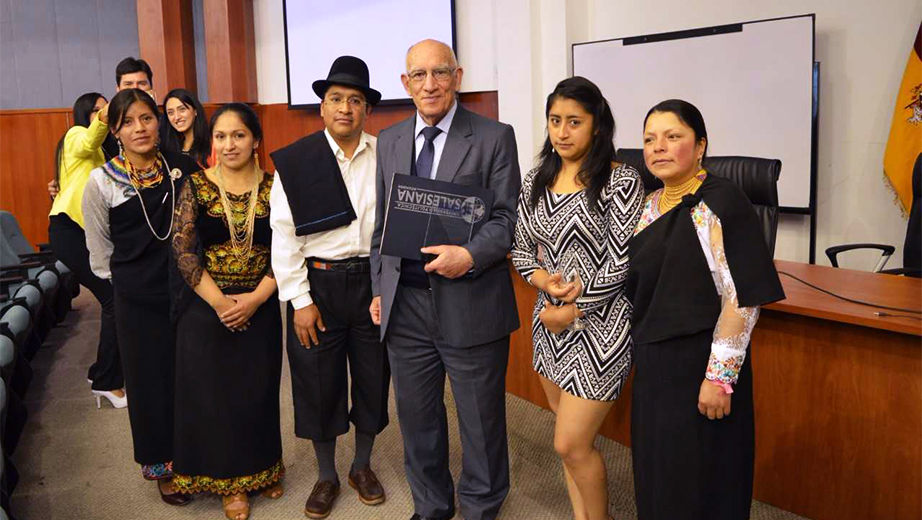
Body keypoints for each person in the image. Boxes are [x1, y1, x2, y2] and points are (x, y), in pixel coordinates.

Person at [370, 39, 521, 520]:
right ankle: (432, 505)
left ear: (458, 76)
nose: (429, 84)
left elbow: (506, 219)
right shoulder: (390, 140)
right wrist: (379, 289)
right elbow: (382, 226)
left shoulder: (495, 136)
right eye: (419, 75)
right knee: (417, 421)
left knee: (480, 422)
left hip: (470, 296)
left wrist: (469, 255)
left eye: (439, 73)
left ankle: (480, 508)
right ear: (405, 83)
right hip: (406, 306)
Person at [625, 99, 785, 520]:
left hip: (702, 366)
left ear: (700, 146)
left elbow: (742, 298)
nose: (658, 147)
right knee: (659, 476)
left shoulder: (719, 201)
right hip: (655, 364)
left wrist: (720, 377)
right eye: (649, 139)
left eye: (672, 137)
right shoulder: (646, 206)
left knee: (704, 481)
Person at [511, 77, 643, 520]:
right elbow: (522, 248)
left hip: (602, 327)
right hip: (549, 323)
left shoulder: (620, 180)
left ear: (597, 127)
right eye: (555, 121)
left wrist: (575, 308)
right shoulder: (537, 178)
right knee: (571, 446)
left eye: (574, 122)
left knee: (571, 442)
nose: (562, 132)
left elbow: (623, 262)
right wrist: (545, 282)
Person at [269, 56, 389, 520]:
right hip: (315, 286)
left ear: (366, 110)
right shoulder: (299, 161)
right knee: (317, 383)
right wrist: (299, 301)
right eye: (336, 99)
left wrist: (386, 286)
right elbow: (283, 235)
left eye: (355, 100)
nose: (345, 108)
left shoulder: (386, 155)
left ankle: (361, 466)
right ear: (321, 108)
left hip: (373, 284)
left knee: (374, 377)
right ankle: (326, 474)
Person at [82, 88, 199, 506]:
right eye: (128, 122)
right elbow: (98, 251)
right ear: (114, 130)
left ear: (158, 121)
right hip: (136, 298)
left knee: (188, 376)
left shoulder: (182, 168)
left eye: (147, 118)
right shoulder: (101, 181)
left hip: (186, 291)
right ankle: (161, 466)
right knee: (150, 383)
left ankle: (195, 457)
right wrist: (124, 290)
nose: (140, 128)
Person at [171, 103, 284, 520]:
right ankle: (231, 483)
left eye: (238, 135)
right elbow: (182, 251)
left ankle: (262, 468)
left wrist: (254, 299)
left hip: (262, 302)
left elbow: (288, 251)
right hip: (207, 306)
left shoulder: (276, 187)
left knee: (257, 391)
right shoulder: (197, 186)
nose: (229, 144)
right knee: (216, 396)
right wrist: (222, 303)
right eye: (220, 136)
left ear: (256, 139)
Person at [48, 92, 127, 409]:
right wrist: (109, 112)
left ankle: (99, 372)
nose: (101, 115)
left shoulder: (103, 153)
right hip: (70, 230)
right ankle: (107, 382)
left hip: (90, 233)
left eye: (103, 109)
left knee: (115, 298)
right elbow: (87, 142)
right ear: (84, 114)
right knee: (112, 299)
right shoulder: (76, 135)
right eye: (95, 110)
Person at [48, 56, 155, 197]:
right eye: (128, 85)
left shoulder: (162, 123)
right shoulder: (104, 132)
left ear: (151, 88)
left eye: (141, 84)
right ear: (118, 90)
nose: (135, 90)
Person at [162, 88, 212, 168]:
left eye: (182, 109)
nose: (177, 117)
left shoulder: (212, 145)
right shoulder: (168, 149)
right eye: (171, 113)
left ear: (195, 110)